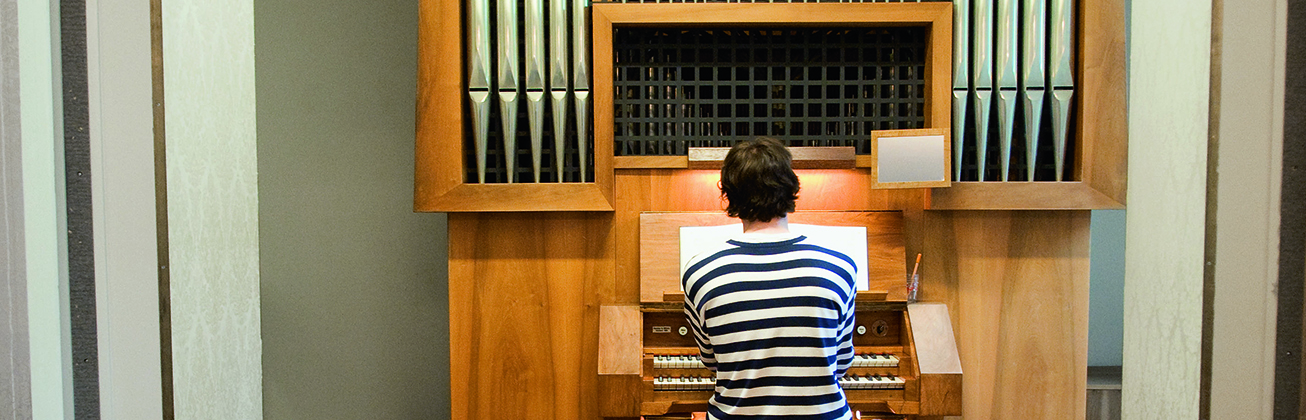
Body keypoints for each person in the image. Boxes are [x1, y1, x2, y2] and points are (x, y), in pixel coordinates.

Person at [681, 137, 858, 420]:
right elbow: (841, 362)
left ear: (728, 195)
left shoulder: (700, 271)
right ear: (792, 188)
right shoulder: (840, 266)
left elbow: (712, 362)